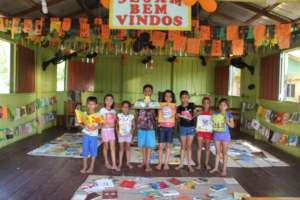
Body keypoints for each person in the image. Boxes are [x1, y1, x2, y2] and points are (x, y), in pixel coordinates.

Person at [176, 90, 199, 172]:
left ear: (188, 98)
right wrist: (177, 116)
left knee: (189, 147)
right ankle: (181, 164)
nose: (184, 99)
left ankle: (189, 164)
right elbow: (177, 119)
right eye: (183, 97)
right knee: (183, 146)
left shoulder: (192, 105)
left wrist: (195, 114)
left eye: (186, 97)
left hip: (191, 128)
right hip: (182, 128)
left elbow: (196, 113)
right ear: (180, 99)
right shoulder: (179, 107)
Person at [210, 98, 234, 177]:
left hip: (225, 135)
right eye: (221, 105)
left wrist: (227, 121)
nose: (222, 106)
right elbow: (212, 123)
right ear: (219, 106)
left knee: (224, 153)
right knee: (217, 152)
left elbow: (232, 126)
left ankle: (224, 170)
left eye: (224, 105)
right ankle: (216, 168)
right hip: (217, 135)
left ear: (227, 106)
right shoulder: (216, 114)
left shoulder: (229, 114)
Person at [136, 84, 157, 172]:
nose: (147, 92)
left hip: (151, 127)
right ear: (143, 92)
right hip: (141, 127)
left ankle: (148, 163)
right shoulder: (139, 102)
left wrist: (153, 110)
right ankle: (143, 162)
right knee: (142, 145)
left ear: (152, 92)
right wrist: (136, 122)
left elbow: (156, 117)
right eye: (146, 91)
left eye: (149, 91)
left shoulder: (155, 103)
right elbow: (137, 114)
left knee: (149, 146)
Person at [155, 90, 176, 171]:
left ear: (172, 98)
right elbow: (158, 116)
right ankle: (160, 163)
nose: (168, 97)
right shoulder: (160, 105)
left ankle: (166, 163)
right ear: (164, 97)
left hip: (170, 128)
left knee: (168, 146)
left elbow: (174, 115)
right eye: (166, 96)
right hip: (162, 128)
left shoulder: (174, 106)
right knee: (160, 146)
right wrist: (158, 110)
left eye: (170, 96)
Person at [79, 96, 100, 174]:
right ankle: (84, 167)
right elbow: (79, 123)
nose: (91, 106)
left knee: (93, 152)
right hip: (86, 135)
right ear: (87, 105)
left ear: (96, 105)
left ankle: (91, 167)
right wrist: (84, 126)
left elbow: (101, 125)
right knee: (85, 151)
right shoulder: (84, 114)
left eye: (93, 104)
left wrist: (96, 127)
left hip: (94, 136)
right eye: (89, 104)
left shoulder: (98, 115)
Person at [99, 94, 119, 171]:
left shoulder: (114, 111)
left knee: (113, 147)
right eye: (107, 99)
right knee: (106, 147)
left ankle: (114, 164)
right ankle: (107, 162)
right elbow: (100, 122)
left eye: (111, 99)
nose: (109, 101)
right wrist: (105, 123)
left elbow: (115, 122)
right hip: (104, 131)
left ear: (113, 101)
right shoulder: (102, 110)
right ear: (105, 101)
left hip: (111, 131)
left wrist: (115, 121)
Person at [117, 100, 135, 170]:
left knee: (128, 148)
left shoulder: (131, 116)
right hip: (121, 135)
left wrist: (132, 133)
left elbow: (134, 126)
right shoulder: (119, 115)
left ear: (129, 108)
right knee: (121, 149)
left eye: (127, 107)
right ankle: (120, 163)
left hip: (128, 135)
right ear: (121, 108)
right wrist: (117, 132)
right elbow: (117, 125)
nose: (125, 108)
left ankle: (128, 162)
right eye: (124, 107)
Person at [196, 97, 213, 170]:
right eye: (204, 103)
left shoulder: (212, 112)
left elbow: (214, 122)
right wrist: (197, 114)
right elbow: (194, 118)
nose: (206, 104)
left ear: (210, 104)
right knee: (199, 148)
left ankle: (206, 163)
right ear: (202, 104)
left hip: (208, 132)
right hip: (200, 131)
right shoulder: (200, 112)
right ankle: (199, 164)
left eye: (207, 103)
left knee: (207, 148)